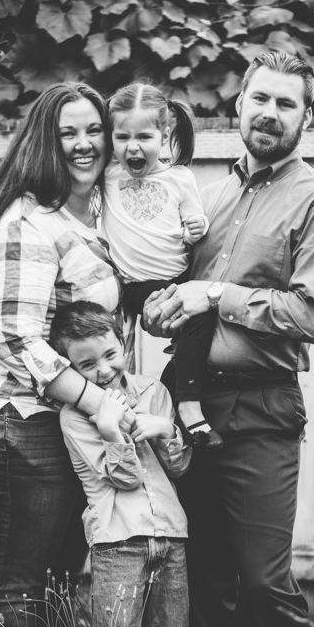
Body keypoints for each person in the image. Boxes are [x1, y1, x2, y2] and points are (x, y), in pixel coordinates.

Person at [144, 52, 314, 627]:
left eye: (284, 104)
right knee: (205, 582)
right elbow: (174, 293)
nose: (268, 113)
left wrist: (217, 296)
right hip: (189, 406)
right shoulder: (203, 199)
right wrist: (162, 307)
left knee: (263, 583)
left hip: (262, 411)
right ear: (237, 108)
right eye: (258, 99)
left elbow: (310, 316)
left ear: (305, 117)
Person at [0, 82, 134, 627]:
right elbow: (16, 340)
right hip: (26, 425)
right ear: (45, 139)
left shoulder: (87, 222)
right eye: (69, 131)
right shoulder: (28, 222)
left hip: (65, 426)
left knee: (58, 584)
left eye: (94, 128)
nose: (86, 142)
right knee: (18, 590)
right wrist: (98, 400)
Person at [49, 300, 191, 627]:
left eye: (110, 354)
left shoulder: (154, 391)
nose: (103, 370)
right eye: (85, 364)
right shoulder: (75, 416)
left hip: (171, 539)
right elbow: (122, 478)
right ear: (69, 367)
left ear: (123, 342)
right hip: (118, 546)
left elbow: (181, 467)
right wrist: (112, 432)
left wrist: (166, 429)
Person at [101, 82, 222, 451]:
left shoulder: (180, 177)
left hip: (179, 277)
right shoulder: (106, 176)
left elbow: (193, 223)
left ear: (165, 134)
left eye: (144, 136)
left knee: (202, 318)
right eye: (121, 137)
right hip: (136, 284)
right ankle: (127, 406)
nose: (132, 146)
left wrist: (196, 226)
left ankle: (188, 406)